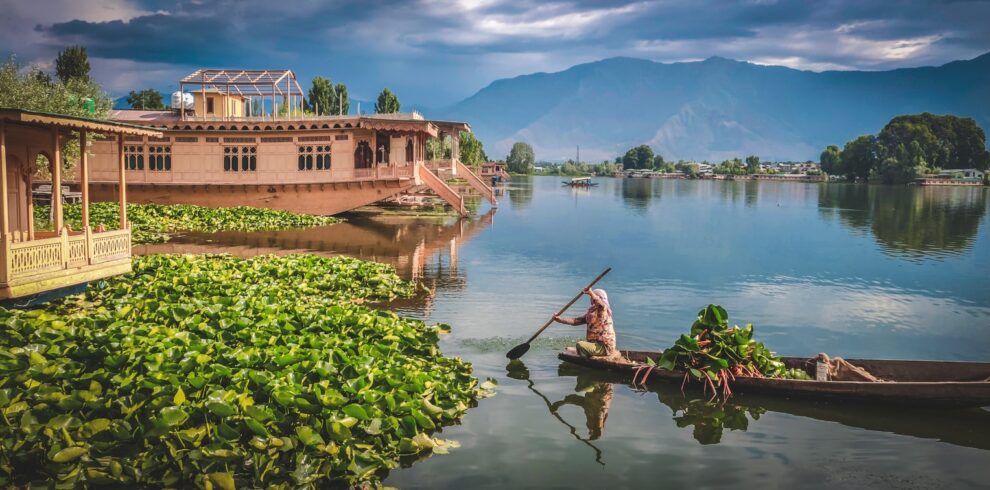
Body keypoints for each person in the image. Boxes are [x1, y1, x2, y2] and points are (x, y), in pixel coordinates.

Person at [553, 287, 617, 358]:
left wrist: (591, 293)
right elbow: (575, 321)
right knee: (579, 346)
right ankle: (585, 352)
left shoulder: (603, 311)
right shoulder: (591, 313)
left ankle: (585, 358)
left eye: (593, 297)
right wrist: (560, 320)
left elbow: (601, 305)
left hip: (604, 347)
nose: (591, 299)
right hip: (595, 344)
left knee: (580, 344)